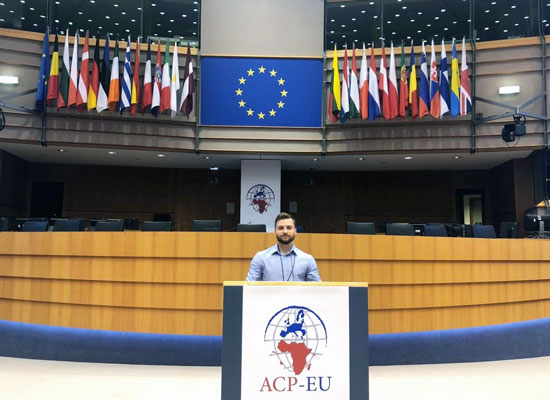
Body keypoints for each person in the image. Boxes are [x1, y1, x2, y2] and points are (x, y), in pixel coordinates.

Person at [245, 212, 321, 281]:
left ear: (295, 231)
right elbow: (248, 287)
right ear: (275, 232)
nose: (285, 231)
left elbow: (317, 289)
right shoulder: (261, 258)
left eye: (289, 228)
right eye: (281, 228)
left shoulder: (308, 259)